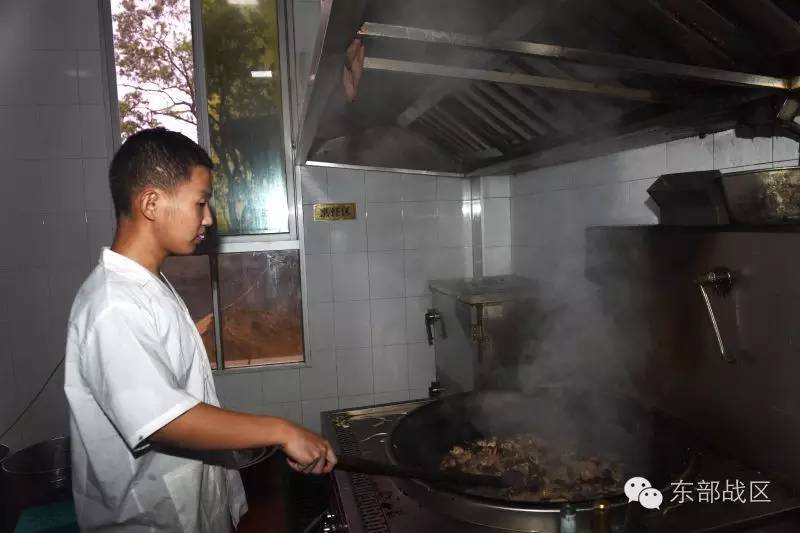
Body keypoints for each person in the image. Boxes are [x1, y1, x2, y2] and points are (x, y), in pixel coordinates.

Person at [64, 128, 336, 532]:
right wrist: (280, 430)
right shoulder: (112, 304)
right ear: (151, 203)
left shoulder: (146, 284)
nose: (208, 218)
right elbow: (163, 420)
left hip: (183, 509)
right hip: (147, 520)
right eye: (201, 202)